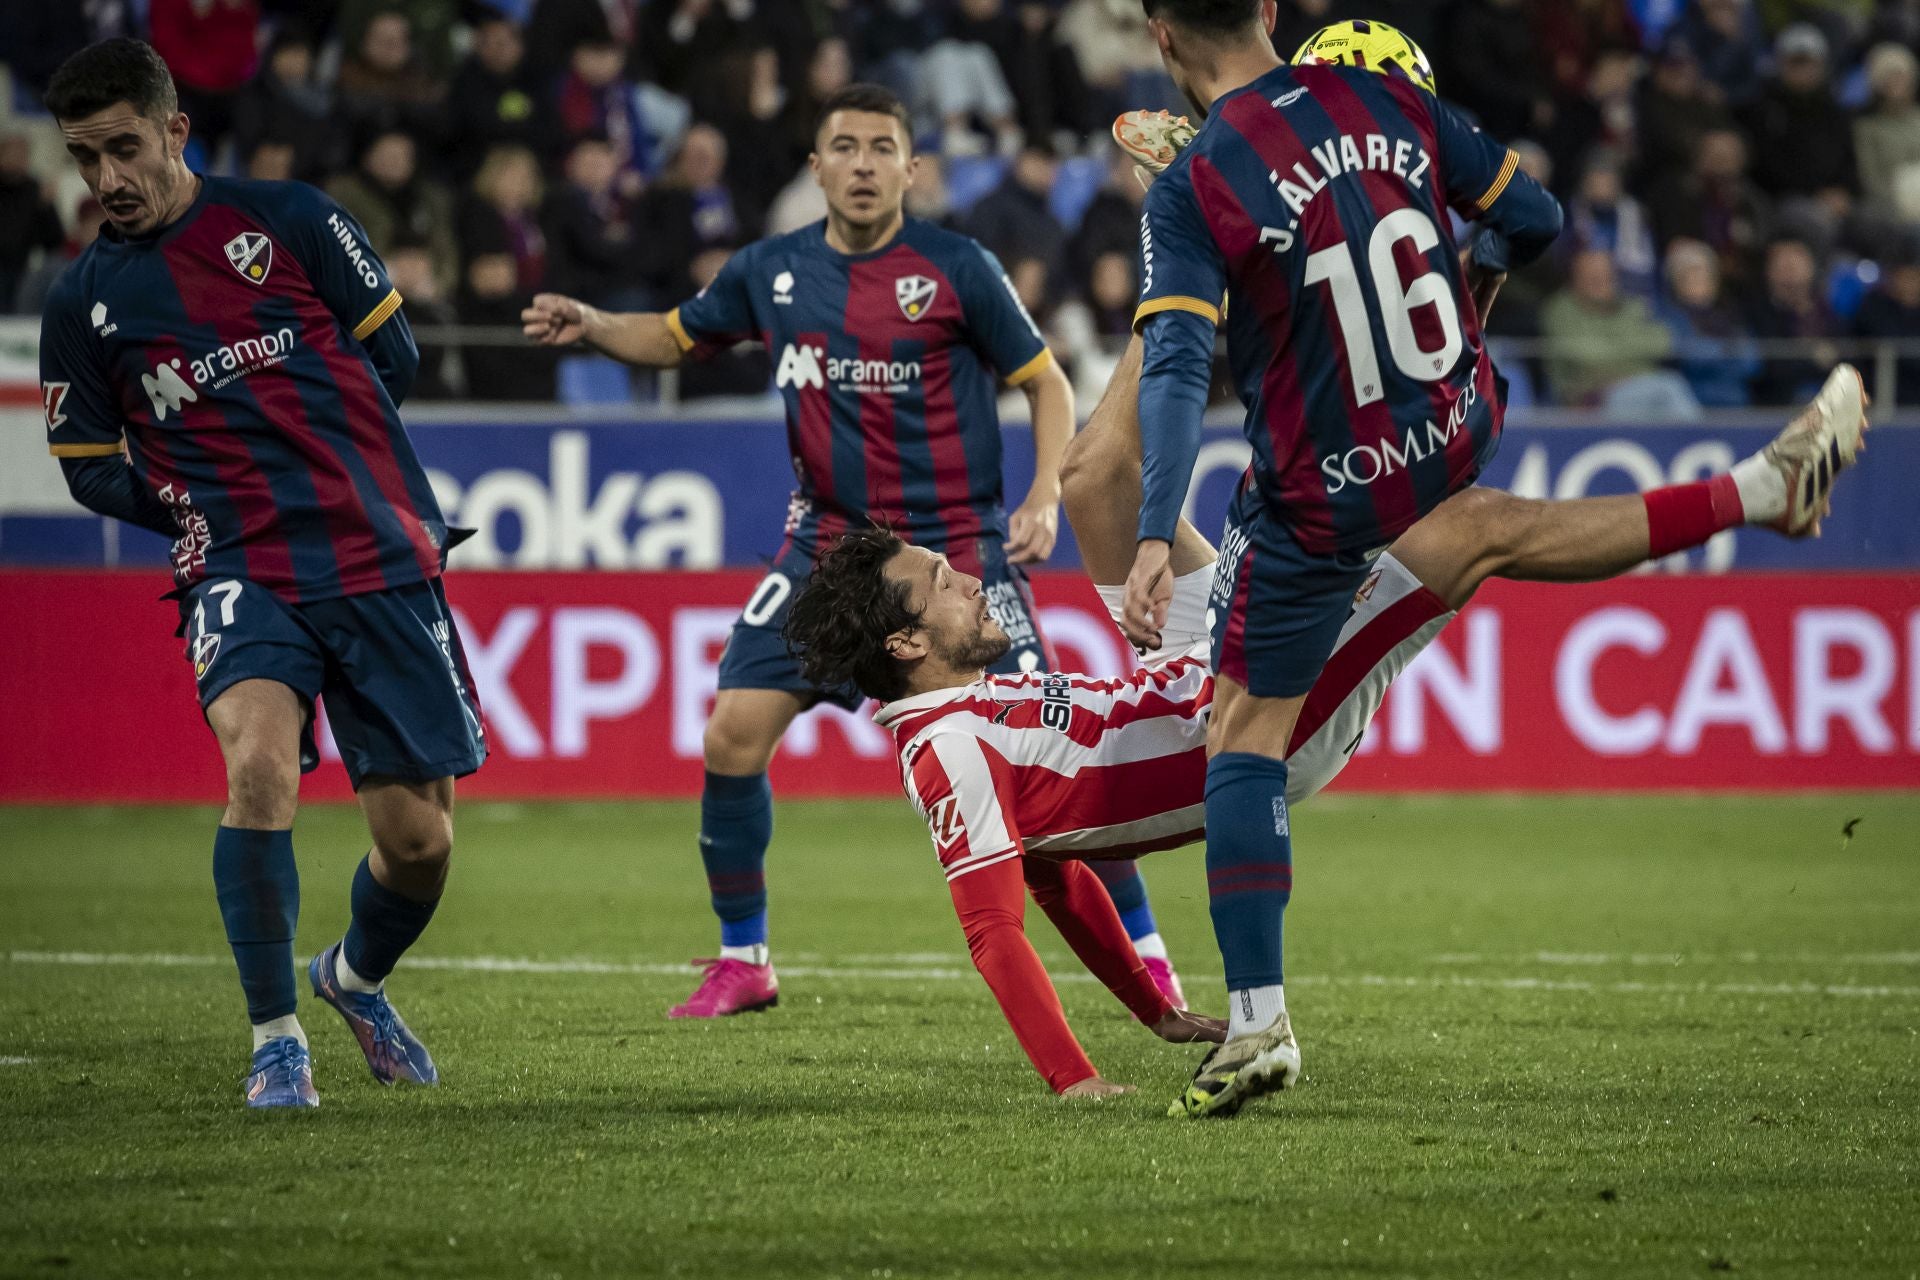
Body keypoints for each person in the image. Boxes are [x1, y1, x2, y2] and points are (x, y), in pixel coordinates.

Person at [780, 332, 1871, 1098]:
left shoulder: (972, 702)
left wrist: (1153, 1007)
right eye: (943, 584)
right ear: (906, 645)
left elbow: (1055, 871)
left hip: (1192, 667)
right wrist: (1076, 1079)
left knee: (1095, 476)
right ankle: (1760, 494)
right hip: (1252, 716)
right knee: (1470, 529)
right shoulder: (945, 747)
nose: (972, 578)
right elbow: (994, 926)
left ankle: (1171, 258)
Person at [1121, 12, 1869, 1119]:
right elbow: (1534, 215)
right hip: (1453, 422)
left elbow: (1180, 365)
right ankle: (1760, 491)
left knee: (1243, 735)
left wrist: (1152, 530)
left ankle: (1257, 1023)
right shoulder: (1392, 100)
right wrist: (1473, 285)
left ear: (1158, 31)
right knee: (1488, 530)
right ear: (1271, 9)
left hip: (1329, 482)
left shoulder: (1197, 182)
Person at [522, 83, 1188, 1018]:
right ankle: (744, 958)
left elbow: (1045, 383)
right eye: (845, 147)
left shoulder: (958, 267)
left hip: (952, 555)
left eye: (882, 148)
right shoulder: (770, 269)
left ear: (912, 169)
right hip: (827, 548)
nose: (864, 164)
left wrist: (1044, 494)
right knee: (732, 734)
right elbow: (675, 337)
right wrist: (595, 325)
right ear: (817, 167)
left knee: (1060, 764)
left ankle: (1151, 960)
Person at [37, 39, 487, 1108]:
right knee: (258, 768)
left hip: (372, 547)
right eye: (85, 156)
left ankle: (352, 979)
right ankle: (275, 1040)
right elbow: (90, 466)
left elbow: (395, 356)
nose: (106, 177)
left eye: (124, 148)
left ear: (175, 131)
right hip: (237, 564)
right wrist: (196, 510)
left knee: (420, 843)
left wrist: (331, 465)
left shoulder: (289, 220)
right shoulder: (81, 303)